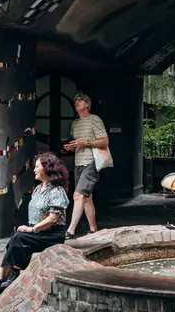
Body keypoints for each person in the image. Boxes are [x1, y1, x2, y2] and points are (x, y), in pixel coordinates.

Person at [0, 152, 69, 302]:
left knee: (18, 238)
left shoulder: (57, 191)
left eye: (37, 166)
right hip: (37, 232)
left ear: (47, 168)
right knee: (13, 243)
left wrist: (32, 229)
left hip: (51, 235)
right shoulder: (37, 189)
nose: (34, 170)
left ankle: (13, 273)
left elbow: (53, 219)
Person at [63, 92, 109, 240]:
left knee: (78, 195)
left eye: (80, 100)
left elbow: (104, 141)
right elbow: (76, 142)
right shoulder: (75, 123)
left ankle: (70, 230)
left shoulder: (94, 120)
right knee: (86, 198)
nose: (76, 103)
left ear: (87, 104)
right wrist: (70, 147)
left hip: (91, 162)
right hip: (78, 162)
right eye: (75, 101)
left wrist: (86, 143)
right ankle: (93, 229)